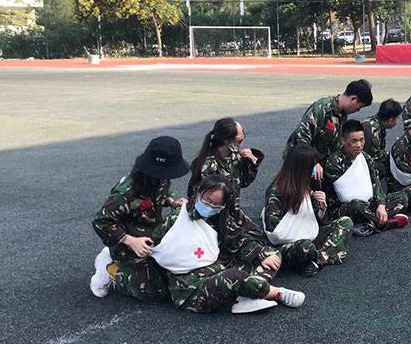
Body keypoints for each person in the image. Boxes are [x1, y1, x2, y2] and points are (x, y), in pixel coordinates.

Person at [150, 175, 306, 314]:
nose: (210, 207)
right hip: (193, 290)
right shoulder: (176, 220)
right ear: (198, 193)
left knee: (271, 255)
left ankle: (246, 295)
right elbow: (154, 245)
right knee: (234, 276)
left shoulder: (219, 219)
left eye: (216, 205)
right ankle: (277, 293)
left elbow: (238, 241)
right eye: (207, 201)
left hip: (220, 270)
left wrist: (261, 253)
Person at [90, 136, 189, 302]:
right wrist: (130, 241)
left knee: (176, 277)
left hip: (152, 239)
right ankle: (109, 268)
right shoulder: (126, 192)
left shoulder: (160, 177)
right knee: (153, 293)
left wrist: (172, 201)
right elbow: (101, 222)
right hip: (128, 246)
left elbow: (162, 193)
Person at [262, 143, 353, 277]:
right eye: (312, 166)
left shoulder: (307, 184)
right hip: (287, 245)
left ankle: (317, 260)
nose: (315, 170)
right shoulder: (278, 191)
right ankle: (323, 255)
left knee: (345, 222)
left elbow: (319, 221)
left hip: (309, 234)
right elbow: (274, 232)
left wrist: (322, 207)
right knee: (306, 247)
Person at [324, 119, 410, 237]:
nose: (359, 145)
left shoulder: (365, 157)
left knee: (402, 197)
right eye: (354, 141)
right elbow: (345, 196)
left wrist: (381, 204)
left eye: (362, 140)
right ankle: (384, 223)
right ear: (343, 141)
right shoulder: (334, 163)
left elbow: (375, 182)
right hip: (344, 207)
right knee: (356, 205)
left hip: (368, 203)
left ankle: (369, 223)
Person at [284, 79, 373, 161]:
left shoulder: (342, 114)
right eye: (359, 107)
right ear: (353, 99)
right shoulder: (322, 108)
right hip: (302, 161)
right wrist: (313, 163)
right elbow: (300, 138)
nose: (358, 110)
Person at [187, 118, 263, 210]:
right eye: (239, 140)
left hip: (231, 211)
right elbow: (206, 201)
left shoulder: (235, 157)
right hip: (214, 211)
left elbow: (243, 182)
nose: (242, 143)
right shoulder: (208, 165)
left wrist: (252, 163)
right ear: (227, 141)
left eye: (244, 135)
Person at [362, 98, 402, 182]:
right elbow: (373, 156)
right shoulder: (373, 130)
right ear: (390, 120)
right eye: (397, 118)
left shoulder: (377, 123)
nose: (398, 121)